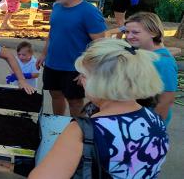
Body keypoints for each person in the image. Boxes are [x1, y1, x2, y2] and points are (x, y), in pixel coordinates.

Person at [29, 38, 169, 179]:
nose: (81, 81)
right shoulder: (154, 119)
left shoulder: (84, 131)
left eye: (84, 75)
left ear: (101, 82)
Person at [36, 0, 106, 117]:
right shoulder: (56, 7)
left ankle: (76, 130)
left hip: (75, 68)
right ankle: (58, 124)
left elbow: (100, 43)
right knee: (55, 95)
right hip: (52, 64)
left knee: (74, 101)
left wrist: (87, 69)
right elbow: (53, 33)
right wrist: (44, 54)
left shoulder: (89, 12)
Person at [125, 12, 178, 125]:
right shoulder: (141, 52)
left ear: (153, 33)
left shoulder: (163, 62)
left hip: (148, 123)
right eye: (127, 31)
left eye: (135, 32)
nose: (129, 36)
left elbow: (166, 100)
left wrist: (156, 128)